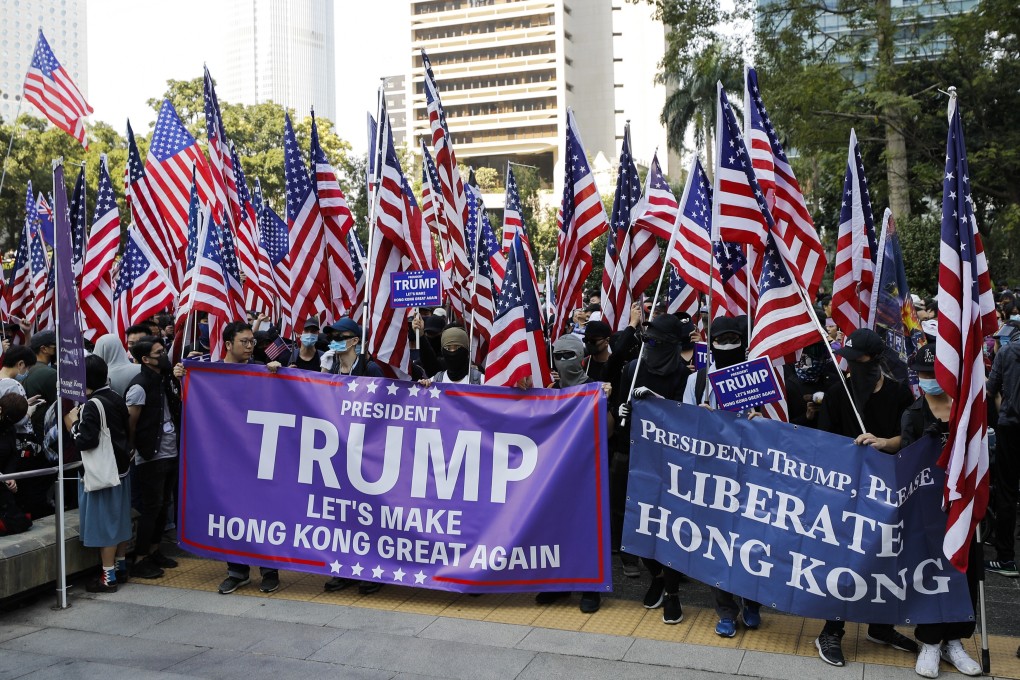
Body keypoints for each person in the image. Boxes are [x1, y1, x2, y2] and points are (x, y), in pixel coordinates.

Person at [814, 328, 917, 666]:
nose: (852, 366)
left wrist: (884, 443)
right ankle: (831, 629)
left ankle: (881, 625)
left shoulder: (900, 395)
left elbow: (910, 439)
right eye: (849, 360)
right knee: (843, 561)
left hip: (886, 493)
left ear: (875, 361)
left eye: (859, 361)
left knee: (885, 558)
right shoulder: (836, 393)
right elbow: (822, 441)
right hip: (844, 492)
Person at [899, 345, 981, 678]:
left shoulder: (967, 410)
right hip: (928, 511)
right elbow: (906, 462)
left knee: (964, 570)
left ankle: (954, 641)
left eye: (934, 374)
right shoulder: (913, 414)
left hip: (964, 508)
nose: (928, 380)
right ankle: (930, 642)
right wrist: (924, 446)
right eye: (923, 374)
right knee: (931, 572)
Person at [682, 316, 763, 637]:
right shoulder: (697, 382)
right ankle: (726, 610)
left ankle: (753, 602)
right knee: (717, 547)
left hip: (751, 478)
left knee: (752, 544)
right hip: (712, 480)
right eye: (721, 338)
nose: (728, 344)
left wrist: (761, 419)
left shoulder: (757, 377)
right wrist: (698, 419)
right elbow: (684, 430)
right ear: (710, 341)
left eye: (734, 338)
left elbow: (785, 428)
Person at [616, 313, 692, 625]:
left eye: (656, 342)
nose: (649, 346)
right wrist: (621, 409)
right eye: (646, 340)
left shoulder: (683, 376)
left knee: (667, 526)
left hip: (668, 462)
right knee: (637, 522)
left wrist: (658, 404)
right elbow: (620, 412)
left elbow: (683, 422)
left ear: (671, 346)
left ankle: (673, 593)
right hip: (636, 458)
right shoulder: (634, 369)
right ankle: (657, 575)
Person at [534, 334, 612, 613]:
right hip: (554, 473)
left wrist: (604, 402)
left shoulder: (593, 388)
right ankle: (559, 582)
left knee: (586, 529)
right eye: (559, 356)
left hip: (587, 472)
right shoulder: (549, 390)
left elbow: (609, 430)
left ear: (581, 358)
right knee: (556, 528)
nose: (565, 361)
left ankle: (590, 588)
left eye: (570, 356)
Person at [214, 321, 284, 595]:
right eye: (244, 341)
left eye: (252, 341)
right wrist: (182, 375)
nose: (249, 346)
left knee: (263, 513)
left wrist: (278, 376)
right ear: (228, 344)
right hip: (227, 460)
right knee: (233, 514)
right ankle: (237, 571)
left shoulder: (262, 370)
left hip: (260, 457)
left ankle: (269, 570)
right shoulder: (212, 374)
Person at [65, 355, 133, 593]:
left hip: (102, 473)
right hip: (121, 468)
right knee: (121, 522)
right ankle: (121, 567)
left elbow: (86, 441)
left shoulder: (92, 404)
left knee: (106, 527)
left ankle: (108, 577)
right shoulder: (115, 396)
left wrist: (73, 424)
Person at [125, 337, 184, 580]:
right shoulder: (139, 386)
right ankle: (139, 559)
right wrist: (134, 448)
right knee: (152, 508)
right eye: (158, 352)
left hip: (172, 451)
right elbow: (131, 422)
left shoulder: (166, 378)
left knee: (163, 506)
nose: (164, 354)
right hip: (151, 456)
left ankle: (154, 549)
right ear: (145, 359)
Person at [986, 320, 1020, 577]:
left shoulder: (1007, 353)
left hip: (1011, 427)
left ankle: (1006, 557)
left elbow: (991, 388)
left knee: (1006, 491)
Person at [22, 330, 57, 435]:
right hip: (45, 433)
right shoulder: (49, 373)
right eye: (55, 345)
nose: (59, 348)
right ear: (44, 349)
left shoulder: (29, 369)